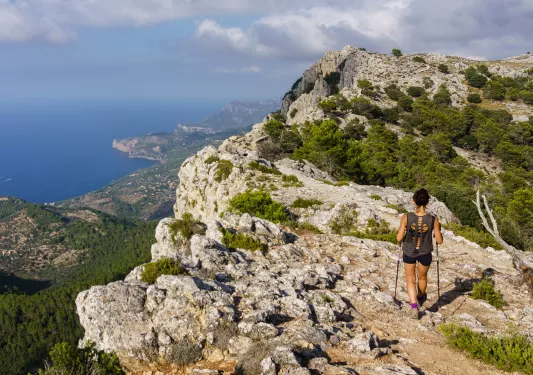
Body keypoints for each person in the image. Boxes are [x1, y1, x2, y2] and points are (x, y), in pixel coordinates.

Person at [396, 188, 443, 319]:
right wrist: (437, 232)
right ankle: (421, 296)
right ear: (427, 202)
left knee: (410, 279)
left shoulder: (406, 217)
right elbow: (439, 241)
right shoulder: (434, 220)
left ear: (414, 201)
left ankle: (414, 306)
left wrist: (402, 230)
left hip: (409, 252)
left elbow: (399, 238)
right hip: (425, 253)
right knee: (422, 277)